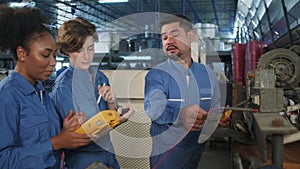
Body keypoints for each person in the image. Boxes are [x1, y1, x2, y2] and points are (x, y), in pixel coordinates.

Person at [0, 6, 91, 169]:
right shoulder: (6, 96)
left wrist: (65, 129)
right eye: (45, 55)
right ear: (22, 54)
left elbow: (41, 138)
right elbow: (3, 160)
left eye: (55, 55)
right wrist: (56, 142)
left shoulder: (42, 94)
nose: (54, 62)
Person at [49, 17, 133, 169]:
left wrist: (111, 103)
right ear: (67, 51)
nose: (87, 56)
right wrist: (118, 121)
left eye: (90, 48)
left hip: (109, 154)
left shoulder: (100, 77)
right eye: (79, 50)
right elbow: (78, 137)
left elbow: (111, 114)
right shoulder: (63, 88)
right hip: (83, 160)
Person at [144, 14, 222, 169]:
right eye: (164, 38)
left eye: (174, 35)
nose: (169, 41)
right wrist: (180, 114)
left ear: (190, 36)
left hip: (197, 152)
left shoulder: (208, 74)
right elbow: (154, 109)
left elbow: (215, 106)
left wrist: (217, 119)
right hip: (166, 155)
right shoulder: (156, 75)